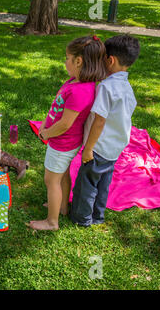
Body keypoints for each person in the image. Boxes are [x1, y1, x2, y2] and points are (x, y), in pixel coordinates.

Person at [29, 35, 107, 231]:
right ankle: (62, 207)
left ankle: (51, 221)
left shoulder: (81, 91)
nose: (65, 61)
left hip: (62, 143)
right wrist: (45, 125)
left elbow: (65, 124)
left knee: (51, 181)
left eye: (67, 58)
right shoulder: (76, 81)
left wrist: (47, 134)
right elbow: (57, 109)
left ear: (78, 61)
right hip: (63, 141)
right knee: (62, 174)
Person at [70, 35, 140, 227]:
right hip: (115, 146)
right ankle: (98, 216)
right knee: (103, 183)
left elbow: (100, 121)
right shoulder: (127, 87)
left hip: (99, 147)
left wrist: (88, 148)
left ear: (110, 60)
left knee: (87, 183)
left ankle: (81, 218)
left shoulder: (107, 88)